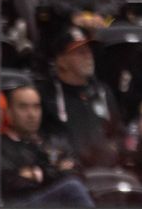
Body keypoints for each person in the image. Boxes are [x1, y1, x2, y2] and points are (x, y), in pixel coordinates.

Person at [39, 26, 128, 172]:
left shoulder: (103, 92)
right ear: (61, 61)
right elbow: (42, 139)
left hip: (106, 171)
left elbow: (119, 134)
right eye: (79, 52)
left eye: (88, 50)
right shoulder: (46, 95)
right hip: (70, 174)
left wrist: (115, 148)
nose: (88, 55)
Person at [0, 83, 94, 207]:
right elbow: (10, 183)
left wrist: (37, 174)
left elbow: (77, 171)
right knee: (72, 188)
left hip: (53, 206)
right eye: (23, 107)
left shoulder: (53, 141)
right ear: (9, 113)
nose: (31, 114)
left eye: (36, 107)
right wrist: (56, 171)